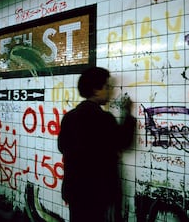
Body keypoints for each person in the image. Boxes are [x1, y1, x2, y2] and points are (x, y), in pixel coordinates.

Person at [58, 66, 136, 222]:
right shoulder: (103, 118)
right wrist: (127, 114)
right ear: (96, 90)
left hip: (74, 189)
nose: (110, 91)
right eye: (107, 87)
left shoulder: (69, 117)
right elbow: (124, 141)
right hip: (96, 191)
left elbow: (62, 146)